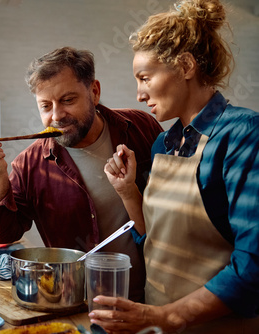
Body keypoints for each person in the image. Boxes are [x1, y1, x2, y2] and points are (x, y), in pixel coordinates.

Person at [91, 0, 259, 333]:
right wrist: (127, 191)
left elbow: (253, 264)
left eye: (145, 78)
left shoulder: (242, 135)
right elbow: (153, 241)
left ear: (184, 66)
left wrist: (169, 316)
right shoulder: (164, 144)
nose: (139, 94)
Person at [0, 46, 163, 302]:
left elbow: (171, 209)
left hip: (153, 295)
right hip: (77, 302)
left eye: (68, 100)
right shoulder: (30, 164)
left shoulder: (140, 127)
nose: (56, 115)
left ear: (94, 92)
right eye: (45, 106)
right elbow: (2, 235)